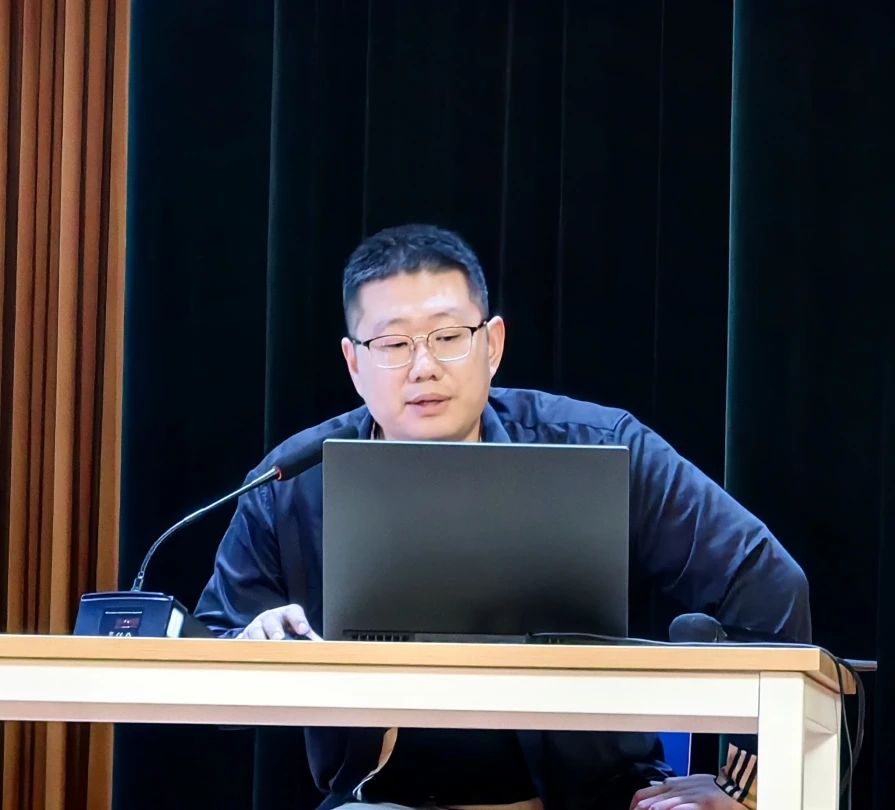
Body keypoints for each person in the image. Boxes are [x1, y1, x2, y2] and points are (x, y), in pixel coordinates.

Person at [195, 224, 810, 810]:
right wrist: (251, 648)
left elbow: (765, 582)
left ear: (491, 345)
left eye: (447, 336)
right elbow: (208, 654)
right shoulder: (292, 483)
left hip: (593, 799)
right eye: (393, 344)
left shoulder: (597, 447)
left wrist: (744, 787)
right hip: (384, 798)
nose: (423, 366)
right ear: (355, 364)